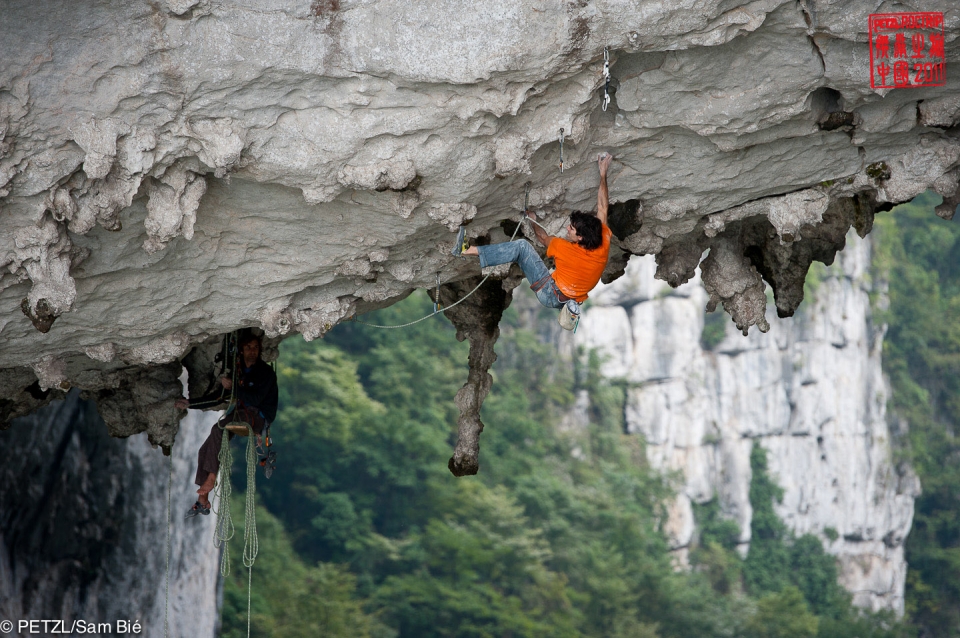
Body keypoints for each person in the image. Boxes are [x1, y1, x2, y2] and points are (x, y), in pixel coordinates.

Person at [455, 152, 614, 329]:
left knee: (522, 247)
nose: (567, 229)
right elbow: (603, 206)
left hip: (550, 294)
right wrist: (603, 173)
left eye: (572, 229)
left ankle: (468, 250)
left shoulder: (564, 248)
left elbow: (542, 237)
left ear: (581, 237)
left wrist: (532, 220)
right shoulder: (603, 240)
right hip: (568, 298)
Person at [175, 332, 278, 518]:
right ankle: (203, 500)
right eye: (248, 347)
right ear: (241, 350)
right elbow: (218, 397)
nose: (252, 351)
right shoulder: (237, 371)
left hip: (259, 416)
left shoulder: (265, 373)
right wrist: (191, 403)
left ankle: (212, 477)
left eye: (255, 347)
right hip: (240, 414)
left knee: (220, 428)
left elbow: (255, 398)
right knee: (206, 446)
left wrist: (234, 388)